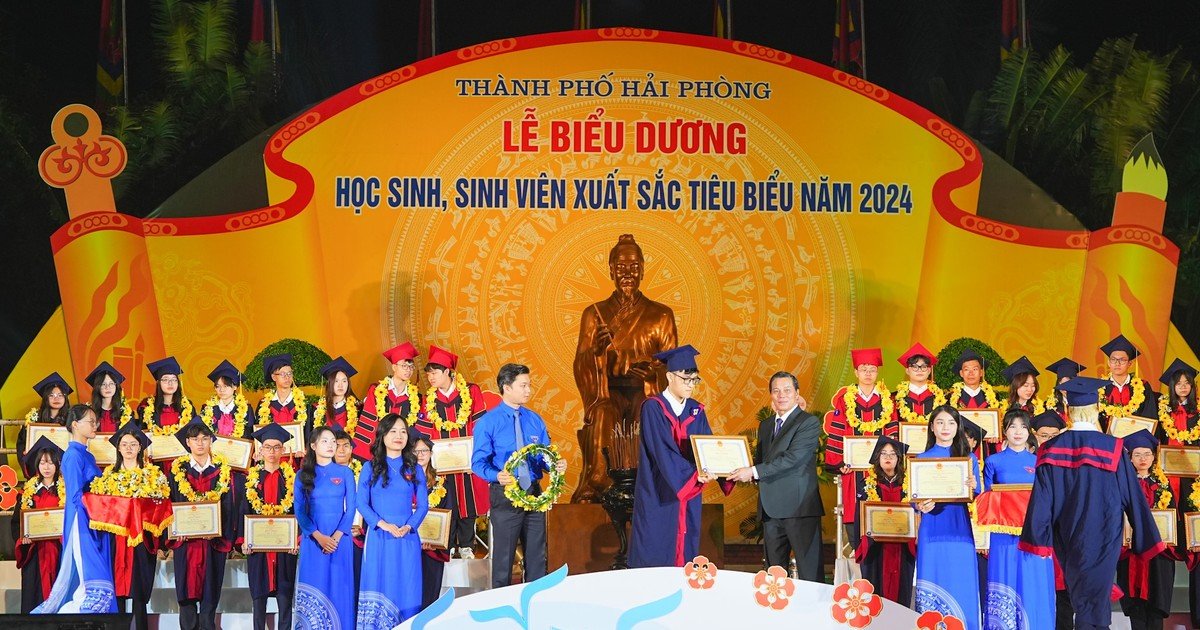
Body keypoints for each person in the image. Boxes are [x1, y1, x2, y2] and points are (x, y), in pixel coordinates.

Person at [1020, 377, 1165, 630]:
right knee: (1095, 597)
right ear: (1097, 409)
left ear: (1068, 411)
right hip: (1105, 533)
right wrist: (1145, 536)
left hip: (1067, 533)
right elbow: (1132, 495)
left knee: (1081, 594)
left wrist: (1037, 539)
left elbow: (1042, 500)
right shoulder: (1113, 448)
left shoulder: (1050, 449)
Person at [572, 233, 679, 502]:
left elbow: (673, 366)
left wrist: (653, 375)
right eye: (621, 267)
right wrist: (596, 353)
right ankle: (599, 483)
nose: (627, 273)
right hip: (608, 392)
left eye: (634, 267)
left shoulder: (661, 315)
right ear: (611, 271)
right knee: (603, 413)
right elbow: (581, 363)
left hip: (646, 391)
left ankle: (651, 486)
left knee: (650, 411)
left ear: (642, 270)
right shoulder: (594, 314)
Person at [628, 345, 733, 568]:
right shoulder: (653, 408)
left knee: (685, 551)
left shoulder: (696, 410)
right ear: (669, 377)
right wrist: (693, 476)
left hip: (688, 493)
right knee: (656, 547)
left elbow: (708, 446)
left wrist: (729, 469)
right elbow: (662, 450)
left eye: (695, 380)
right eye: (686, 379)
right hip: (659, 491)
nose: (690, 385)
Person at [472, 363, 569, 587]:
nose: (528, 390)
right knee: (503, 559)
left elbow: (544, 455)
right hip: (505, 493)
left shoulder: (535, 419)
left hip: (534, 493)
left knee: (537, 555)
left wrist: (554, 464)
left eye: (529, 385)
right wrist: (497, 475)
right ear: (506, 387)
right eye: (523, 385)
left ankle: (534, 599)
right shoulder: (488, 422)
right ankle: (501, 604)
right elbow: (477, 463)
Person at [726, 370, 823, 581]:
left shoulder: (808, 422)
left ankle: (813, 605)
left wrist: (753, 471)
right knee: (774, 576)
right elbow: (762, 461)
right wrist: (731, 469)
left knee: (809, 573)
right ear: (770, 394)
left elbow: (793, 458)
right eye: (776, 391)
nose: (782, 395)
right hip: (770, 509)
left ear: (797, 393)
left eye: (787, 390)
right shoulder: (767, 424)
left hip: (799, 508)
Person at [32, 404, 117, 614]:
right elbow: (75, 495)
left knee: (96, 570)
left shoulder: (87, 455)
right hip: (81, 520)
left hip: (94, 519)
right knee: (89, 572)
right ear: (75, 425)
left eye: (96, 421)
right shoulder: (72, 455)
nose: (95, 425)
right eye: (91, 421)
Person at [982, 409, 1054, 629]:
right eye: (1012, 426)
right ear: (1004, 431)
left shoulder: (1039, 461)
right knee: (1006, 575)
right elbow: (987, 497)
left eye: (1023, 427)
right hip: (1003, 534)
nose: (1018, 432)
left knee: (1032, 578)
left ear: (1029, 431)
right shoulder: (993, 461)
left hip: (1033, 532)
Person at [165, 416, 239, 630]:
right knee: (186, 596)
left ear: (211, 441)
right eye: (195, 439)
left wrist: (218, 530)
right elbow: (169, 505)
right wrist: (174, 531)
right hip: (185, 543)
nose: (200, 443)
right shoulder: (176, 472)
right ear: (187, 442)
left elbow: (229, 507)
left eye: (205, 438)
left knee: (210, 595)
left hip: (212, 543)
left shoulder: (222, 472)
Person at [416, 345, 489, 559]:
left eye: (434, 373)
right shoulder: (428, 400)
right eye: (428, 373)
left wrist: (476, 457)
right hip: (442, 463)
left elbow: (480, 426)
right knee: (446, 499)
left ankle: (466, 545)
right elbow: (426, 433)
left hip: (467, 461)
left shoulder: (471, 392)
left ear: (447, 371)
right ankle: (445, 546)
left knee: (468, 499)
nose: (430, 377)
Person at [92, 422, 168, 629]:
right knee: (116, 590)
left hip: (141, 539)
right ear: (118, 447)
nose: (128, 448)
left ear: (140, 447)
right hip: (116, 540)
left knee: (138, 591)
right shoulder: (108, 477)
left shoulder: (153, 476)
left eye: (133, 444)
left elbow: (161, 508)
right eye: (124, 444)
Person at [913, 405, 981, 629]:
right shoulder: (921, 459)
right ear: (932, 427)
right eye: (940, 422)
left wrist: (973, 486)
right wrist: (920, 505)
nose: (945, 427)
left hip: (959, 529)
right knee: (933, 577)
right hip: (932, 529)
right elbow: (915, 498)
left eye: (951, 423)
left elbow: (979, 495)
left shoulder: (968, 458)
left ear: (957, 427)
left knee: (962, 581)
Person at [357, 414, 427, 626]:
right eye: (393, 431)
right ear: (383, 435)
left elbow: (423, 506)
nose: (399, 436)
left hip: (407, 537)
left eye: (403, 431)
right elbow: (361, 503)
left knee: (408, 586)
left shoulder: (414, 468)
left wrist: (409, 526)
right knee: (379, 583)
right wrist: (383, 524)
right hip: (379, 536)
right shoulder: (370, 467)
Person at [824, 348, 898, 533]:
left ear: (877, 372)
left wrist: (891, 462)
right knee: (855, 520)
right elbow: (837, 431)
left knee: (883, 520)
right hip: (853, 470)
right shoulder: (845, 400)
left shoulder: (887, 400)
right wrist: (839, 463)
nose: (868, 373)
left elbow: (892, 434)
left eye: (872, 369)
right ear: (856, 372)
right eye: (863, 369)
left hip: (882, 470)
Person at [293, 425, 357, 630]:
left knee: (340, 587)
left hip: (340, 541)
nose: (331, 445)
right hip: (314, 540)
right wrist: (319, 536)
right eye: (325, 441)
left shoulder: (345, 473)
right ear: (313, 445)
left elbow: (351, 508)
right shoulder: (302, 475)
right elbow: (300, 510)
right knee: (315, 583)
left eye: (333, 442)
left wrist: (336, 537)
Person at [237, 423, 297, 630]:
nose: (272, 452)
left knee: (285, 599)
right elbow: (243, 511)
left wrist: (296, 540)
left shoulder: (291, 480)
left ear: (283, 450)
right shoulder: (251, 481)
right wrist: (244, 541)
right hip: (259, 549)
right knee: (259, 600)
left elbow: (299, 512)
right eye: (268, 447)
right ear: (260, 450)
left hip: (284, 549)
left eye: (276, 447)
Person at [1115, 429, 1175, 630]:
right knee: (1136, 607)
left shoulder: (1163, 485)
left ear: (1153, 457)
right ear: (1130, 458)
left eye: (1147, 454)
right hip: (1131, 552)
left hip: (1159, 554)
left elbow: (1172, 518)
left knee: (1157, 603)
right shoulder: (1122, 484)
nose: (1143, 459)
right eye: (1138, 454)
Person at [1157, 359, 1200, 629]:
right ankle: (1160, 609)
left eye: (1187, 383)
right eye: (1179, 383)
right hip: (1168, 482)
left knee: (1196, 540)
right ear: (1172, 386)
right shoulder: (1163, 413)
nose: (1183, 387)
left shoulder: (1199, 413)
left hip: (1194, 484)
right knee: (1169, 538)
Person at [853, 436, 915, 605]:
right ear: (877, 458)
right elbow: (859, 517)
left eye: (893, 454)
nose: (888, 457)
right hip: (875, 547)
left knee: (901, 593)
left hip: (902, 547)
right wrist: (860, 545)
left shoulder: (909, 486)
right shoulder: (867, 485)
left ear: (898, 459)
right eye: (884, 454)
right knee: (875, 594)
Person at [1030, 409, 1074, 629]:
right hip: (1036, 535)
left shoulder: (1070, 463)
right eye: (1044, 435)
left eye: (1054, 435)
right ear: (1035, 436)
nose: (1048, 440)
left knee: (1064, 592)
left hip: (1062, 536)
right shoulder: (1029, 462)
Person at [13, 437, 63, 613]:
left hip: (59, 551)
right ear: (37, 465)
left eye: (50, 463)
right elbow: (16, 523)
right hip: (35, 553)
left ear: (57, 464)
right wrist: (23, 538)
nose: (46, 467)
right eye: (42, 462)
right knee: (34, 596)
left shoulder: (64, 491)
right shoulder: (27, 493)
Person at [356, 342, 421, 460]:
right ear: (394, 367)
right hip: (378, 452)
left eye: (411, 366)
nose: (408, 370)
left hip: (402, 454)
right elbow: (369, 423)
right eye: (404, 366)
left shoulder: (416, 398)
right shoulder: (376, 391)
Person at [414, 433, 449, 609]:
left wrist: (437, 541)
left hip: (432, 549)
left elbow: (449, 513)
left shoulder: (441, 483)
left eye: (424, 451)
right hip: (409, 545)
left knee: (430, 594)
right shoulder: (404, 480)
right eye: (416, 451)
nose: (420, 455)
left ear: (431, 453)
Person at [1099, 335, 1158, 429]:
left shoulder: (1143, 387)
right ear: (1109, 363)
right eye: (1113, 359)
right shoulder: (1099, 387)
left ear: (1130, 364)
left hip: (1136, 435)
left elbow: (1149, 416)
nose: (1117, 363)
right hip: (1106, 436)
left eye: (1122, 360)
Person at [17, 372, 72, 458]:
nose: (56, 398)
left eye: (60, 395)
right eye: (51, 395)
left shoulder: (72, 418)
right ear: (45, 398)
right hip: (41, 463)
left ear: (65, 398)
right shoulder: (35, 419)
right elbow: (22, 444)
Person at [137, 356, 195, 436]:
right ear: (158, 383)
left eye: (174, 379)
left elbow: (194, 432)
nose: (170, 383)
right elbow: (142, 433)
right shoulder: (146, 407)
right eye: (165, 379)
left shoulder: (187, 407)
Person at [311, 356, 362, 440]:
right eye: (336, 381)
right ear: (329, 384)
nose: (340, 385)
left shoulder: (358, 408)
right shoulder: (317, 410)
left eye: (344, 381)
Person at [198, 360, 252, 438]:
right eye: (218, 386)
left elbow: (250, 436)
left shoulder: (246, 409)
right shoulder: (207, 408)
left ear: (235, 387)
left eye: (225, 386)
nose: (221, 390)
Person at [894, 343, 946, 423]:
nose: (919, 370)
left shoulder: (940, 398)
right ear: (907, 371)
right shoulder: (895, 399)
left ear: (929, 370)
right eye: (914, 367)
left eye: (924, 366)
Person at [257, 353, 307, 427]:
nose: (287, 377)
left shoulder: (304, 403)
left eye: (289, 373)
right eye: (283, 374)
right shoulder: (264, 405)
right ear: (273, 377)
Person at [86, 362, 130, 432]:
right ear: (97, 387)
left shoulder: (125, 412)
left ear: (116, 386)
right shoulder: (89, 413)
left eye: (111, 383)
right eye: (103, 384)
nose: (108, 387)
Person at [1044, 358, 1086, 425]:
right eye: (1062, 384)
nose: (1066, 388)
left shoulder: (1085, 403)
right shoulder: (1049, 406)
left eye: (1070, 384)